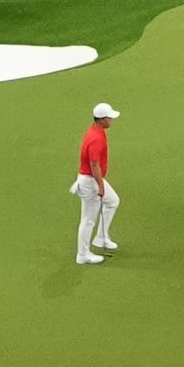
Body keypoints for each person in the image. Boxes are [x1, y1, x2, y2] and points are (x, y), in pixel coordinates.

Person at [74, 101, 124, 264]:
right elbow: (94, 164)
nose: (112, 120)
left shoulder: (96, 131)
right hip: (90, 181)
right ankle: (82, 255)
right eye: (110, 118)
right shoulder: (96, 138)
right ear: (102, 119)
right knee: (88, 219)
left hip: (92, 179)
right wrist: (100, 185)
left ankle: (101, 237)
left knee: (113, 201)